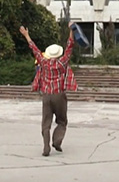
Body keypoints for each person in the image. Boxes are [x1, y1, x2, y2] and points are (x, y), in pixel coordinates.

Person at [19, 23, 77, 156]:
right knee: (62, 121)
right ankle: (56, 141)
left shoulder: (43, 62)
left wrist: (26, 35)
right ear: (58, 54)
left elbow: (34, 49)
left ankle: (46, 147)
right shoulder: (62, 63)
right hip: (59, 95)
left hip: (46, 96)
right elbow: (70, 46)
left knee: (46, 122)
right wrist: (71, 31)